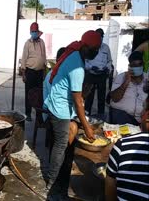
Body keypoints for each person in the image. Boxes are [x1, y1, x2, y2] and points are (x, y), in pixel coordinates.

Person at [43, 30, 101, 200]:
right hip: (60, 107)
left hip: (58, 102)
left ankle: (60, 174)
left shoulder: (75, 52)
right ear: (86, 47)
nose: (96, 52)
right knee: (61, 145)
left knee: (64, 144)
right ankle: (52, 182)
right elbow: (77, 101)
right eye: (94, 49)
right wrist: (88, 128)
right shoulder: (77, 67)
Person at [105, 97, 149, 201]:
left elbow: (109, 194)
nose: (141, 113)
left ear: (147, 115)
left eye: (143, 109)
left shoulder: (123, 145)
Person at [109, 51, 148, 125]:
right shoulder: (121, 77)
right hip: (121, 114)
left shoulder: (147, 79)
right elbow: (115, 98)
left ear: (143, 65)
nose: (137, 67)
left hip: (141, 118)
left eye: (139, 64)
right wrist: (126, 82)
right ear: (130, 66)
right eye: (134, 65)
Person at [21, 22, 47, 121]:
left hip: (39, 72)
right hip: (30, 72)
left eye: (36, 31)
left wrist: (44, 71)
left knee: (39, 95)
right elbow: (24, 58)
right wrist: (23, 73)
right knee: (29, 93)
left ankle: (39, 116)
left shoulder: (42, 42)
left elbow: (44, 56)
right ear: (30, 32)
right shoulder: (28, 43)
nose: (34, 33)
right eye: (33, 31)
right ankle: (28, 114)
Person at [84, 28, 112, 117]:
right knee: (89, 96)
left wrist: (107, 68)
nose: (100, 38)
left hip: (102, 75)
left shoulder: (106, 47)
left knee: (101, 97)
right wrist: (91, 67)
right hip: (91, 74)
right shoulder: (90, 46)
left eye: (101, 36)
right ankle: (86, 115)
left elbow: (110, 61)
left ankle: (101, 116)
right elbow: (85, 61)